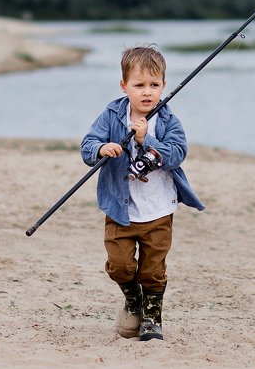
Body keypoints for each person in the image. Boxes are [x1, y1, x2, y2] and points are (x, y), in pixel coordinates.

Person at [80, 45, 204, 341]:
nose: (147, 92)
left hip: (158, 209)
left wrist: (147, 138)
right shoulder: (112, 114)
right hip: (120, 209)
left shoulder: (169, 120)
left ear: (163, 85)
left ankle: (152, 316)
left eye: (154, 85)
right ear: (124, 86)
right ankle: (133, 301)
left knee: (152, 270)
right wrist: (100, 148)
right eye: (139, 85)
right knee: (120, 266)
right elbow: (87, 145)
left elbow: (176, 155)